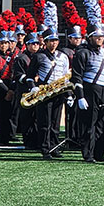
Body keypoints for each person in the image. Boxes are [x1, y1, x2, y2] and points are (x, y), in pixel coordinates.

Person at [72, 20, 104, 164]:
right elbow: (76, 76)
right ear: (89, 37)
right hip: (90, 90)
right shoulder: (82, 53)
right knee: (89, 124)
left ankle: (99, 152)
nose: (99, 38)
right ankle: (88, 154)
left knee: (103, 124)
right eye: (96, 36)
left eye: (101, 36)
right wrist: (80, 97)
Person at [26, 25, 70, 160]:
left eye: (56, 40)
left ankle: (55, 147)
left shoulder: (63, 56)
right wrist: (33, 87)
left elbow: (66, 76)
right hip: (44, 91)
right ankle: (45, 149)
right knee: (45, 122)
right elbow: (29, 76)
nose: (54, 43)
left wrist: (68, 94)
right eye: (51, 40)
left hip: (59, 92)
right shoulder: (38, 56)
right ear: (44, 42)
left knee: (56, 122)